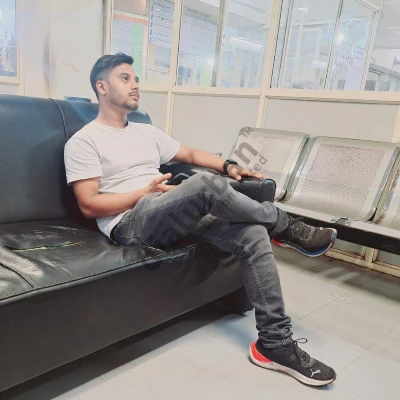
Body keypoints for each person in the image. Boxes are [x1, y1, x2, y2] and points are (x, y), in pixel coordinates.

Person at [64, 53, 337, 387]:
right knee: (204, 185)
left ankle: (275, 343)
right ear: (101, 87)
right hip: (129, 222)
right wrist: (142, 192)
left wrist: (230, 166)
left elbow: (191, 154)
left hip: (165, 210)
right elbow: (89, 205)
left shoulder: (145, 131)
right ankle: (286, 226)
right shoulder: (84, 141)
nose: (135, 85)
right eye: (125, 78)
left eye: (136, 79)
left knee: (252, 233)